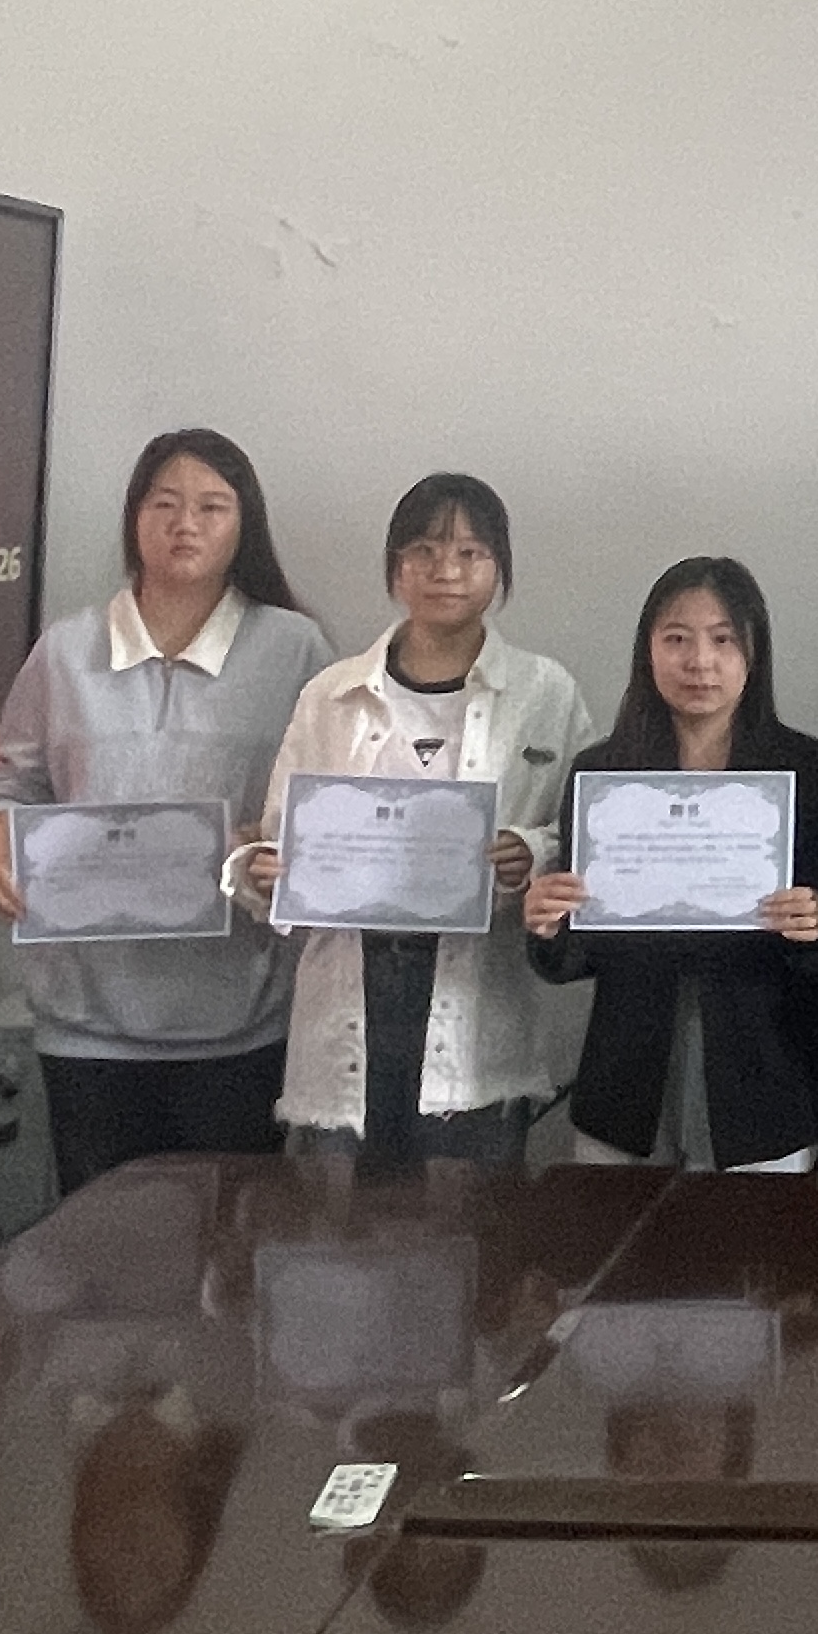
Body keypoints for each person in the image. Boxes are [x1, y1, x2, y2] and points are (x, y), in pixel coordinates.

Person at [0, 429, 333, 1199]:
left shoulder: (295, 650)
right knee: (101, 1246)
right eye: (164, 504)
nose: (185, 525)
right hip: (85, 1016)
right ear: (135, 517)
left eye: (211, 507)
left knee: (230, 1247)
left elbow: (324, 803)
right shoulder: (65, 651)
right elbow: (17, 779)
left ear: (244, 525)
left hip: (241, 1014)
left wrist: (271, 845)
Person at [241, 472, 593, 1167]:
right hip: (351, 985)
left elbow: (583, 844)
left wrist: (530, 851)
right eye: (424, 552)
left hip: (475, 996)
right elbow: (278, 837)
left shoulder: (545, 692)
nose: (446, 571)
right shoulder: (331, 693)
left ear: (499, 567)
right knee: (330, 1219)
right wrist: (264, 870)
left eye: (470, 553)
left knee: (470, 1218)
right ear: (395, 566)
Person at [526, 557, 818, 1173]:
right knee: (613, 1232)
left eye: (723, 639)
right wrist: (550, 923)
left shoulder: (814, 771)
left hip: (765, 1076)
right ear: (648, 651)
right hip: (627, 1077)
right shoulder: (603, 774)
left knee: (752, 1237)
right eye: (676, 639)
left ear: (754, 653)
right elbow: (576, 954)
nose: (699, 661)